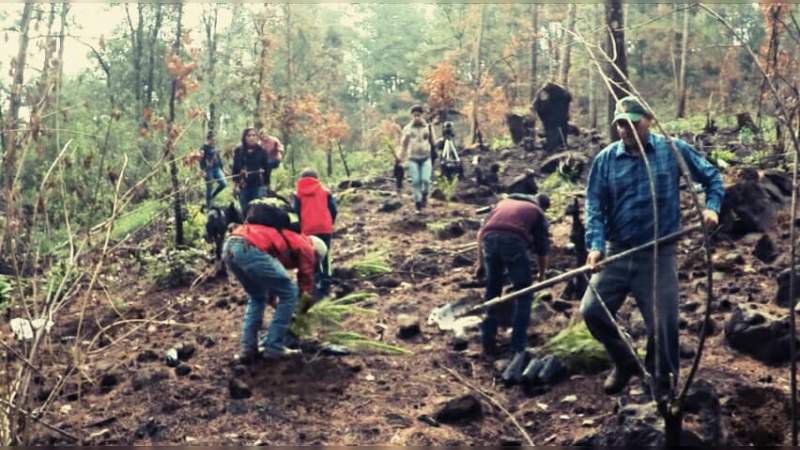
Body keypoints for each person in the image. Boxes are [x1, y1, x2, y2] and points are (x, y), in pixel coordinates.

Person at [580, 96, 723, 398]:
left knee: (663, 325)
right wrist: (594, 246)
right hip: (617, 251)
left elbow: (711, 177)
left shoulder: (672, 150)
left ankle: (663, 382)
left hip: (658, 253)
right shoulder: (606, 159)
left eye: (633, 122)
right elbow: (594, 205)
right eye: (620, 124)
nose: (626, 129)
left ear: (649, 119)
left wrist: (712, 208)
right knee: (592, 310)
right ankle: (625, 361)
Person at [223, 200, 328, 362]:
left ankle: (248, 349)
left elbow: (270, 284)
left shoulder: (284, 239)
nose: (314, 264)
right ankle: (274, 347)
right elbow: (305, 280)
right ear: (317, 254)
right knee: (290, 292)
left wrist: (280, 306)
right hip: (249, 246)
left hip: (230, 246)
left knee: (258, 297)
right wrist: (302, 310)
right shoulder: (307, 246)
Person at [474, 194, 550, 357]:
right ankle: (518, 346)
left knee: (492, 291)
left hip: (489, 239)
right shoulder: (537, 212)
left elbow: (481, 233)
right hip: (513, 241)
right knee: (523, 293)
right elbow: (542, 249)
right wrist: (541, 274)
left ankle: (488, 342)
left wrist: (480, 263)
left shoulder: (503, 203)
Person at [293, 168, 338, 298]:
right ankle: (325, 284)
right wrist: (330, 223)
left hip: (307, 231)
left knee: (309, 257)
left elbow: (296, 214)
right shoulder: (325, 192)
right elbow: (333, 210)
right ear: (316, 179)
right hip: (324, 228)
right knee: (325, 256)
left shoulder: (298, 194)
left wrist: (298, 230)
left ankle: (311, 285)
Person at [232, 128, 279, 215]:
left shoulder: (262, 151)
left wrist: (268, 185)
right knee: (245, 212)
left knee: (257, 213)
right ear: (244, 137)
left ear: (257, 137)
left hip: (258, 186)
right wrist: (235, 186)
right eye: (249, 135)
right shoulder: (239, 151)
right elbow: (235, 169)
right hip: (244, 186)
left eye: (254, 135)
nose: (251, 138)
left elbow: (266, 169)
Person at [398, 105, 434, 212]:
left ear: (422, 115)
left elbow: (433, 142)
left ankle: (425, 194)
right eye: (415, 115)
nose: (417, 117)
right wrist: (400, 157)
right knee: (416, 181)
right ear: (412, 116)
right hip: (413, 158)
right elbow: (403, 145)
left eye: (419, 115)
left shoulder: (428, 127)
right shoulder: (407, 129)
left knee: (426, 180)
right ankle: (418, 202)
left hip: (426, 157)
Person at [199, 132, 227, 208]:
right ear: (208, 139)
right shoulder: (204, 148)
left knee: (223, 183)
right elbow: (201, 160)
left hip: (217, 168)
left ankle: (212, 196)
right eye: (212, 139)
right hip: (208, 169)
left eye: (214, 139)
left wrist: (223, 168)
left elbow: (219, 158)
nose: (213, 141)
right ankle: (208, 206)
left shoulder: (215, 147)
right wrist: (203, 170)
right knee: (209, 186)